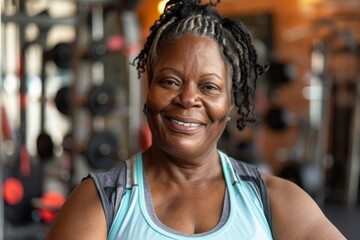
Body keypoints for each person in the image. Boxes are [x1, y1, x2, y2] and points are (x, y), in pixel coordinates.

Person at [47, 0, 346, 239]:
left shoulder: (276, 201)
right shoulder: (101, 202)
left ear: (229, 104)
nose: (188, 98)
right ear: (148, 89)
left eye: (209, 87)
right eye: (170, 81)